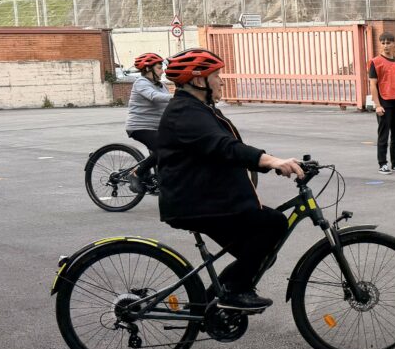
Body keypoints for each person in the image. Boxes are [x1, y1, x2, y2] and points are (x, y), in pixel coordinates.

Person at [156, 47, 305, 311]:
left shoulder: (199, 108)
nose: (222, 80)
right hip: (196, 203)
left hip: (208, 199)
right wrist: (270, 160)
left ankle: (212, 302)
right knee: (272, 227)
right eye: (217, 75)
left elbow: (230, 147)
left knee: (259, 251)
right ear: (199, 80)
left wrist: (273, 162)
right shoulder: (186, 112)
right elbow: (224, 146)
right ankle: (231, 293)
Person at [125, 52, 170, 193]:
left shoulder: (161, 85)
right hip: (139, 127)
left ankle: (158, 179)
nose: (162, 71)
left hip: (157, 128)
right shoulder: (141, 83)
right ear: (148, 69)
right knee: (163, 150)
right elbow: (154, 97)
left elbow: (167, 105)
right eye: (159, 67)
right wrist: (180, 97)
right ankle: (135, 173)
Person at [368, 32, 395, 174]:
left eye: (388, 43)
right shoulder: (376, 62)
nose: (385, 45)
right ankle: (382, 164)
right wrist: (377, 105)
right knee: (384, 134)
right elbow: (373, 85)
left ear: (394, 44)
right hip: (384, 103)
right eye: (383, 43)